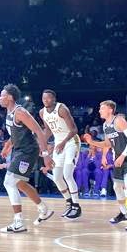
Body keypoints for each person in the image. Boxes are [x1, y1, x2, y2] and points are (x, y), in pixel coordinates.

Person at [0, 85, 54, 233]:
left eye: (2, 95)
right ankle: (44, 209)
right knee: (20, 184)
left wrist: (46, 155)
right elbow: (15, 133)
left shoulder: (20, 112)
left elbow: (39, 132)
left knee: (9, 182)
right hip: (19, 150)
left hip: (28, 151)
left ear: (9, 97)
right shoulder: (9, 112)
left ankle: (18, 222)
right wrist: (8, 145)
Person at [86, 100, 127, 230]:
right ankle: (124, 213)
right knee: (117, 187)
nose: (99, 110)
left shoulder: (119, 120)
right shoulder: (106, 125)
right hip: (118, 157)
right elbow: (107, 144)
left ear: (110, 110)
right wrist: (92, 142)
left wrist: (123, 156)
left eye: (102, 108)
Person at [39, 89, 81, 219]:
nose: (46, 100)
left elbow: (74, 129)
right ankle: (69, 202)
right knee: (57, 177)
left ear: (54, 99)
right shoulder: (42, 112)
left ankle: (76, 206)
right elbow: (48, 131)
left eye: (48, 98)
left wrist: (63, 143)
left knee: (67, 174)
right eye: (43, 98)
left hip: (71, 142)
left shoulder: (62, 109)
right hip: (59, 144)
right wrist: (42, 144)